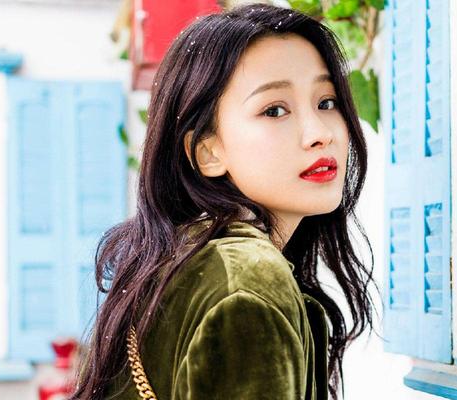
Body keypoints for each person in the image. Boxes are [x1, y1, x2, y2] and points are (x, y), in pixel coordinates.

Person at [71, 3, 379, 399]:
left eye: (327, 102)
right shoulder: (248, 283)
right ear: (207, 152)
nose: (320, 133)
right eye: (275, 110)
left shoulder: (181, 260)